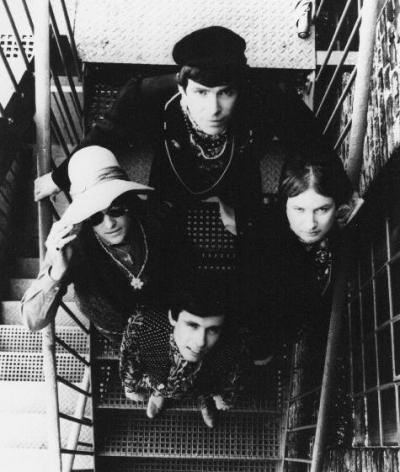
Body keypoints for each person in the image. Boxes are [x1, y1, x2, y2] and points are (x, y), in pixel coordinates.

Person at [34, 26, 343, 239]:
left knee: (245, 229)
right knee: (163, 228)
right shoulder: (148, 94)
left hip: (238, 170)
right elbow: (105, 134)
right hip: (176, 171)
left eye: (225, 93)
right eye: (201, 93)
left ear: (240, 88)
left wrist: (343, 189)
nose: (214, 109)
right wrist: (59, 177)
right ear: (181, 89)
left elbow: (310, 138)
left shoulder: (265, 96)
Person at [21, 145, 176, 344]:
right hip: (117, 332)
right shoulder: (71, 244)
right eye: (95, 217)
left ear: (128, 201)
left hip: (166, 318)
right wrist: (56, 272)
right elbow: (32, 321)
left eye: (116, 209)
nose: (109, 224)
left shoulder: (156, 216)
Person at [255, 152, 354, 359]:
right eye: (299, 209)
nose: (310, 224)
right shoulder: (265, 242)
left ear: (337, 207)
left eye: (322, 209)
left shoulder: (345, 226)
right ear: (284, 204)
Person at [119, 276, 251, 428]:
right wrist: (130, 386)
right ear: (173, 318)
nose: (201, 342)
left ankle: (204, 399)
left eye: (213, 330)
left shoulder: (234, 339)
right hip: (159, 379)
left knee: (206, 387)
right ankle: (159, 393)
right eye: (192, 325)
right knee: (160, 384)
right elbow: (129, 358)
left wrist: (225, 397)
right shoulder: (143, 326)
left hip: (206, 383)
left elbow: (236, 371)